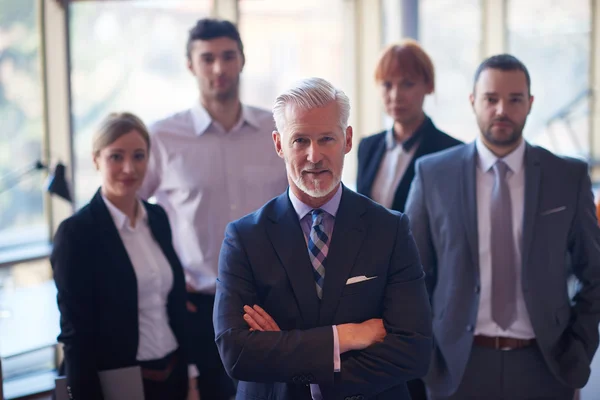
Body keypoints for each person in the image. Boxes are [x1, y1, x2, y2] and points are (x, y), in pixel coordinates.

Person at [213, 77, 433, 400]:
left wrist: (289, 355)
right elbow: (237, 353)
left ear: (347, 139)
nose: (314, 156)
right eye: (299, 140)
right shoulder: (244, 238)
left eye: (326, 139)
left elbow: (413, 350)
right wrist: (346, 337)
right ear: (278, 144)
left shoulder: (390, 230)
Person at [405, 54, 600, 400]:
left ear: (530, 104)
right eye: (491, 99)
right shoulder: (433, 175)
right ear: (473, 102)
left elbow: (595, 272)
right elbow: (410, 277)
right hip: (457, 368)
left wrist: (579, 350)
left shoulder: (567, 177)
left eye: (514, 99)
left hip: (546, 365)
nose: (501, 110)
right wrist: (428, 361)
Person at [138, 18, 288, 398]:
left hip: (274, 298)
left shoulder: (277, 131)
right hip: (198, 306)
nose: (218, 68)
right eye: (207, 59)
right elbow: (133, 214)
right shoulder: (163, 137)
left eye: (227, 56)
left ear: (242, 60)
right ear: (190, 65)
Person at [51, 113, 198, 400]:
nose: (129, 168)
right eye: (116, 157)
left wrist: (191, 379)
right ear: (96, 160)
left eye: (139, 156)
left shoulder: (157, 217)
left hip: (172, 374)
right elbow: (76, 337)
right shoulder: (76, 234)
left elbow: (175, 307)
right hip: (117, 383)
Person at [357, 40, 462, 214]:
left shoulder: (452, 152)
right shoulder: (367, 146)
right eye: (387, 85)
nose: (395, 95)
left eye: (407, 84)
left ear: (429, 86)